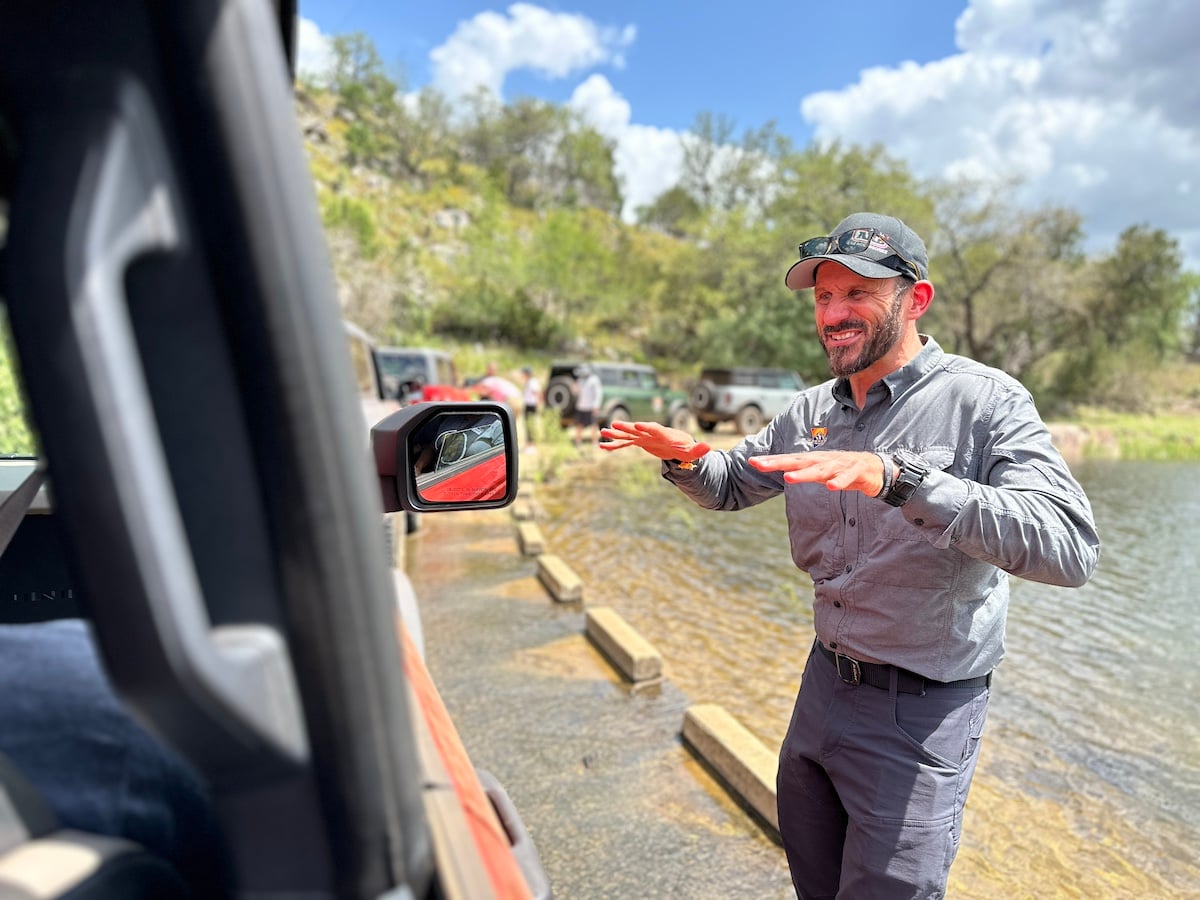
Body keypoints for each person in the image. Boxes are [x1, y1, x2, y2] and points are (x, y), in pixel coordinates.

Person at [600, 212, 1100, 899]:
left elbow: (1069, 546)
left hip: (921, 714)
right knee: (814, 879)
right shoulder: (808, 413)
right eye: (824, 296)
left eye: (857, 293)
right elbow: (733, 485)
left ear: (915, 299)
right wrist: (687, 459)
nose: (834, 314)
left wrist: (901, 481)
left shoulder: (984, 402)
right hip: (822, 691)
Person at [572, 364, 603, 449]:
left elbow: (598, 394)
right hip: (581, 407)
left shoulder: (594, 380)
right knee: (579, 425)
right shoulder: (580, 380)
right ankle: (578, 442)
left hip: (591, 407)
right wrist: (574, 386)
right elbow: (575, 392)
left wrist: (596, 405)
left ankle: (594, 442)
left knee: (593, 425)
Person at [520, 366, 542, 448]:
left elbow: (537, 393)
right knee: (527, 424)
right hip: (528, 405)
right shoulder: (528, 382)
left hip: (531, 405)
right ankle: (529, 442)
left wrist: (537, 404)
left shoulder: (532, 382)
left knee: (531, 424)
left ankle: (532, 443)